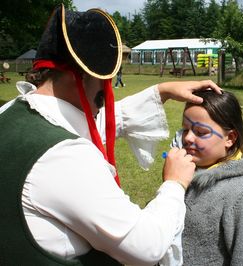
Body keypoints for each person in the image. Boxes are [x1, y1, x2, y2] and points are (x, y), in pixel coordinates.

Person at [0, 4, 222, 266]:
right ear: (79, 78)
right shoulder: (65, 156)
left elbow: (95, 122)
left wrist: (162, 91)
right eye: (101, 82)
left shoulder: (10, 113)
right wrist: (174, 184)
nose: (106, 97)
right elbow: (146, 246)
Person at [170, 90, 243, 265]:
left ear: (230, 138)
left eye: (201, 132)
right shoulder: (184, 173)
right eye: (185, 129)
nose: (187, 138)